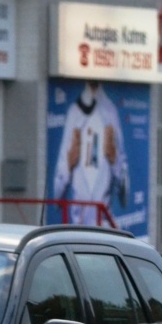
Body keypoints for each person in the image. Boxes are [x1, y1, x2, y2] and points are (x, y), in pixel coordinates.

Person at [49, 81, 129, 225]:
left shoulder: (110, 113)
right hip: (77, 227)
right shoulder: (74, 113)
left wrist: (114, 159)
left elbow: (124, 196)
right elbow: (56, 195)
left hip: (103, 229)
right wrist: (68, 163)